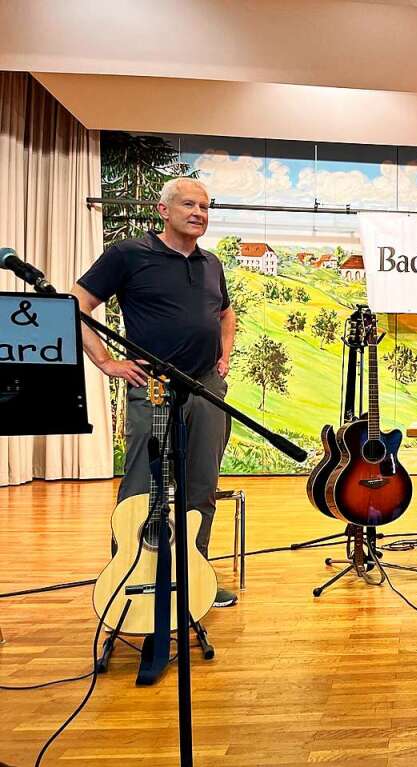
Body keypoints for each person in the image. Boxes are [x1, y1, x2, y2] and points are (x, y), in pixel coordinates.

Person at [71, 177, 238, 608]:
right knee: (142, 486)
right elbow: (77, 303)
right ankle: (126, 578)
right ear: (164, 210)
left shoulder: (211, 263)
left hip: (205, 388)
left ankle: (195, 575)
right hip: (152, 389)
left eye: (205, 206)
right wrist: (106, 362)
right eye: (189, 204)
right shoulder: (129, 254)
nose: (199, 213)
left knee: (201, 486)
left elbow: (225, 312)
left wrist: (224, 358)